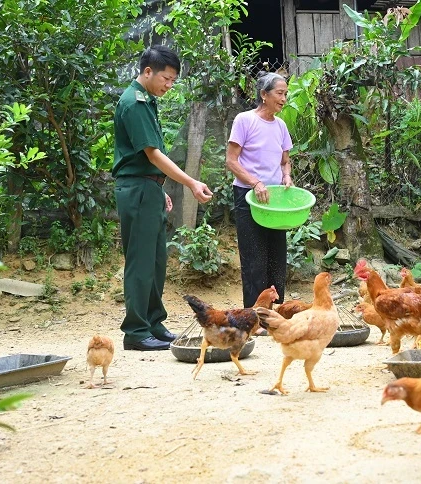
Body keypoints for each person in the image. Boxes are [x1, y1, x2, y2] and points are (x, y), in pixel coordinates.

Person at [113, 45, 213, 351]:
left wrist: (159, 189)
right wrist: (190, 183)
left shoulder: (147, 100)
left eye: (172, 81)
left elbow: (151, 161)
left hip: (148, 189)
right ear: (148, 72)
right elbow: (152, 154)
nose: (169, 86)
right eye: (166, 79)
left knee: (156, 262)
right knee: (141, 262)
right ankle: (136, 331)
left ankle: (153, 323)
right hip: (137, 189)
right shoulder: (134, 103)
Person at [226, 72, 293, 313]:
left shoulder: (281, 125)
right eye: (279, 93)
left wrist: (286, 175)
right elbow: (232, 161)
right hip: (248, 196)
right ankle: (254, 313)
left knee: (277, 255)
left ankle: (275, 311)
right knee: (254, 257)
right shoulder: (244, 120)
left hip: (275, 200)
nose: (284, 98)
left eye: (285, 94)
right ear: (264, 95)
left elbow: (285, 160)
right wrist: (255, 183)